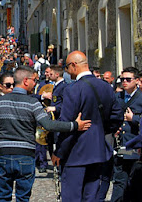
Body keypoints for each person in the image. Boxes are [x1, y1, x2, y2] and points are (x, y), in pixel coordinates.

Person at [0, 66, 91, 201]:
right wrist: (74, 125)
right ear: (25, 81)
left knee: (2, 196)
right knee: (23, 197)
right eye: (33, 80)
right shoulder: (33, 102)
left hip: (5, 153)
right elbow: (48, 124)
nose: (35, 83)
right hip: (25, 154)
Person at [52, 51, 123, 202]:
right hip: (97, 150)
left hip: (75, 152)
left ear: (73, 65)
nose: (67, 72)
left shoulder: (72, 89)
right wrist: (100, 130)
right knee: (91, 197)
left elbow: (66, 124)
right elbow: (117, 116)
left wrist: (59, 151)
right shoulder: (106, 87)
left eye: (67, 67)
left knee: (72, 197)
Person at [111, 67, 142, 202]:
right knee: (119, 179)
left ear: (136, 81)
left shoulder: (140, 98)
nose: (124, 82)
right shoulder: (117, 96)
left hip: (134, 145)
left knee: (134, 181)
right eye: (122, 79)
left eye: (128, 79)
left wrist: (133, 118)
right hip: (120, 145)